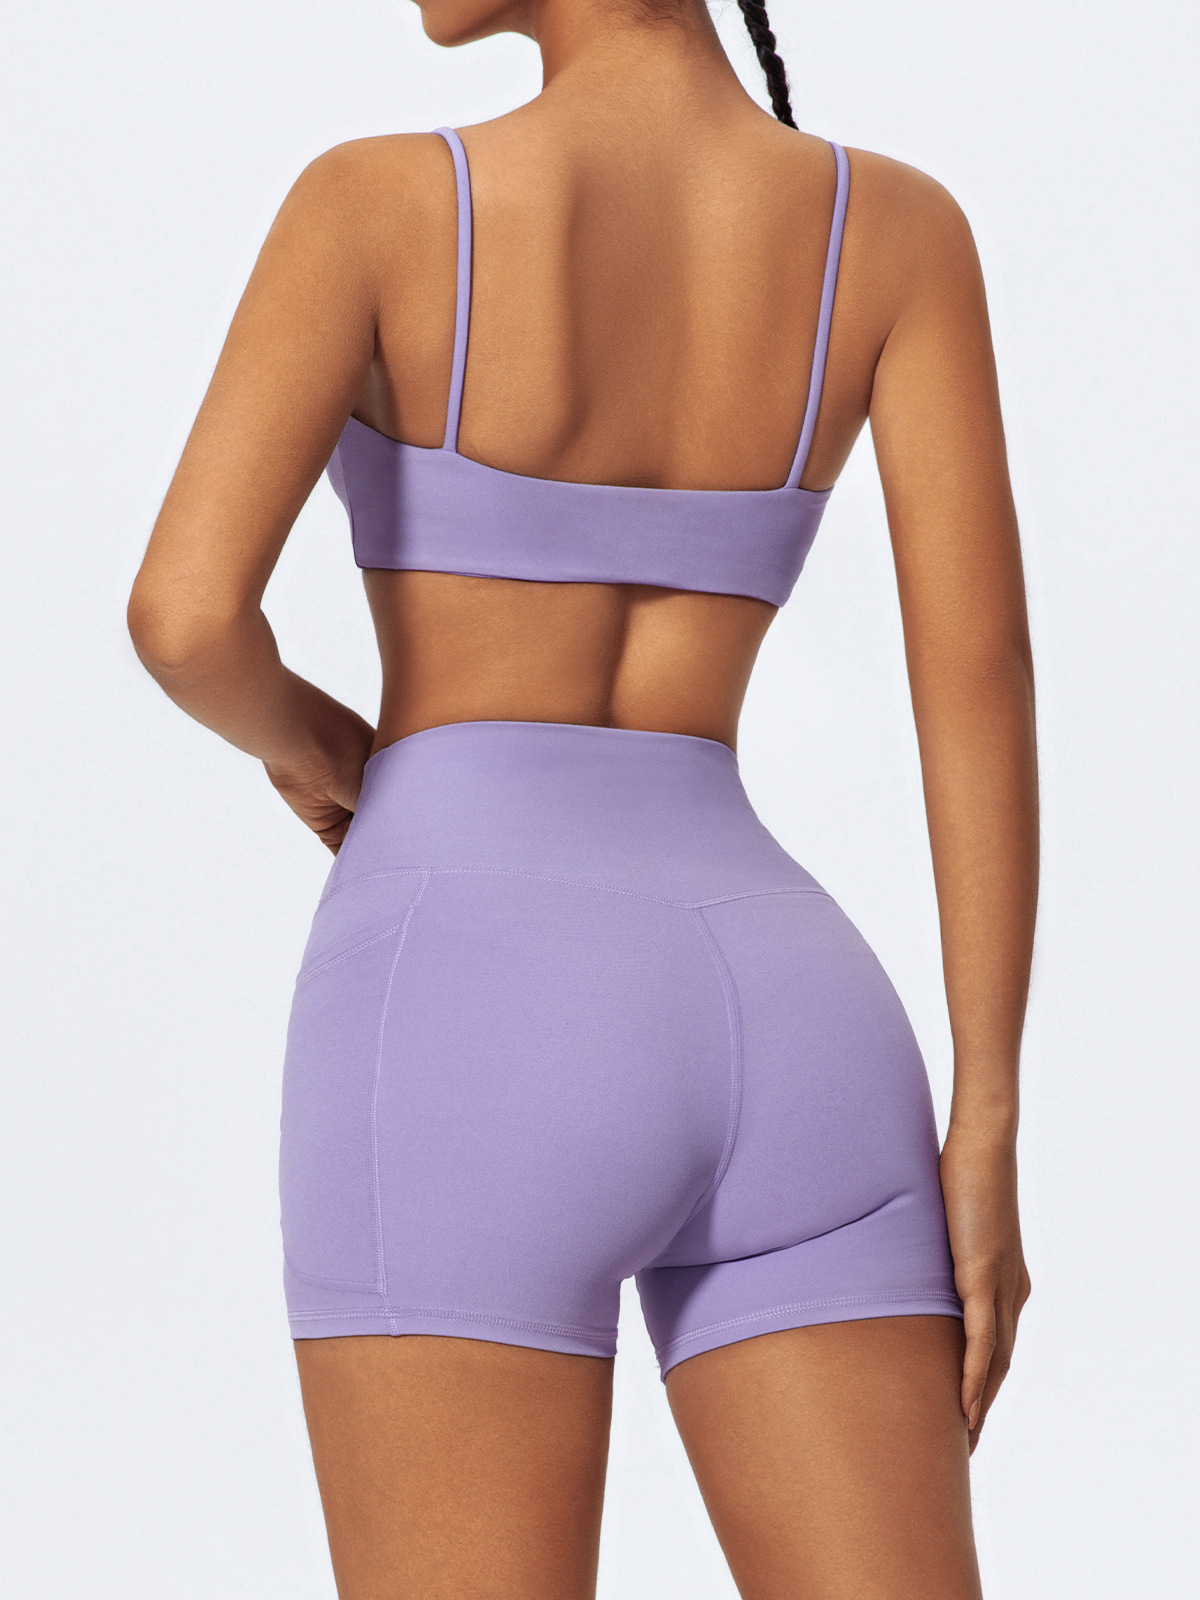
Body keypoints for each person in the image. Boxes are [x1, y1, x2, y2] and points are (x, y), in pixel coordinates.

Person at [127, 0, 1036, 1592]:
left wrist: (325, 753)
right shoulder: (894, 228)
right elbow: (977, 685)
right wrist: (987, 1121)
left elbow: (186, 619)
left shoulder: (377, 202)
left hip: (466, 1000)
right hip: (799, 1021)